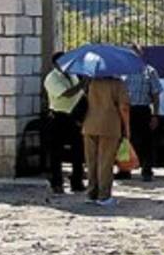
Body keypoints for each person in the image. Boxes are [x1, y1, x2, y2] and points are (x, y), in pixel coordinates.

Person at [82, 75, 131, 206]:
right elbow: (124, 107)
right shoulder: (118, 84)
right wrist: (127, 128)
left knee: (91, 161)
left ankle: (91, 193)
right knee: (105, 162)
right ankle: (104, 196)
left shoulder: (92, 82)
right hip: (109, 125)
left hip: (90, 124)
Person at [43, 51, 86, 194]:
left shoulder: (72, 75)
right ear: (56, 63)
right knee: (56, 152)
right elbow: (66, 93)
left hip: (73, 116)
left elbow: (80, 95)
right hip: (58, 116)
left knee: (78, 150)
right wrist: (82, 84)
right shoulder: (52, 78)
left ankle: (77, 181)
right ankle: (56, 182)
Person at [122, 43, 163, 181]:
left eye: (135, 53)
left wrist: (155, 115)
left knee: (146, 142)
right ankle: (125, 169)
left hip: (143, 109)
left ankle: (147, 170)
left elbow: (156, 94)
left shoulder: (149, 71)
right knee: (125, 141)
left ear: (141, 54)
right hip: (126, 111)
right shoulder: (121, 72)